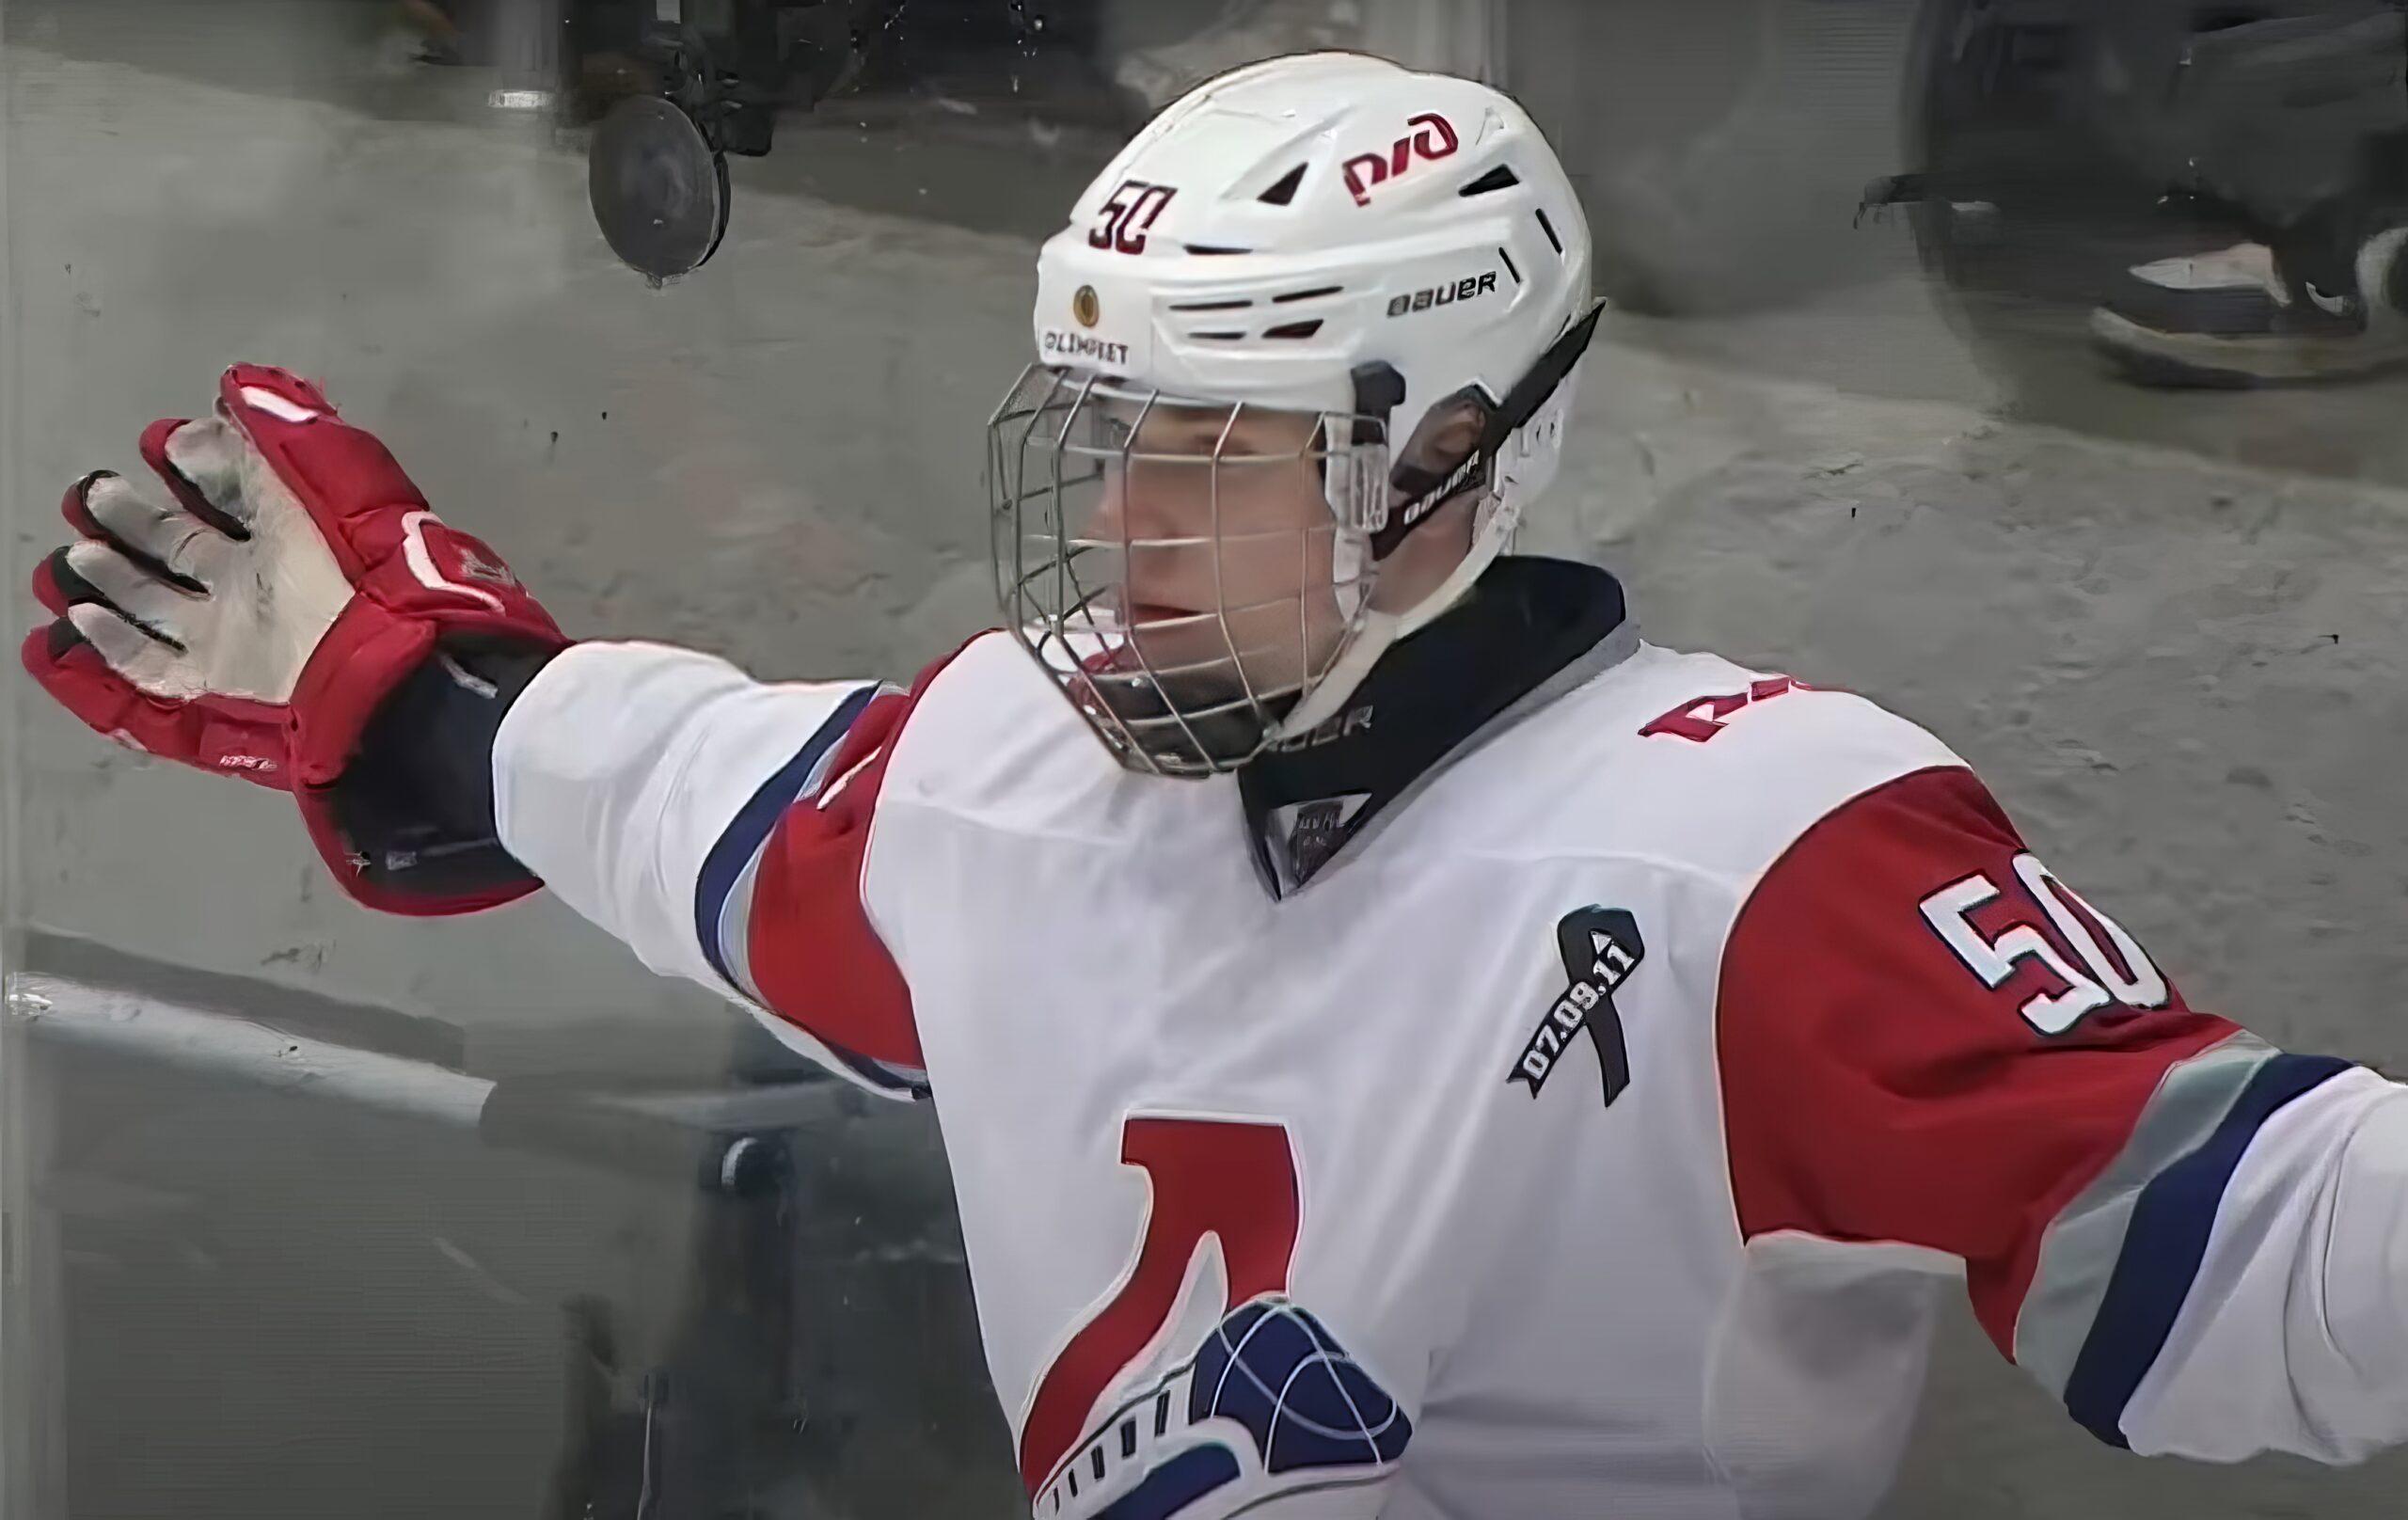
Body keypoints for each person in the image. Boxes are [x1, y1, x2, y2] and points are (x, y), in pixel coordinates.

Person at [22, 50, 2408, 1520]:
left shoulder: (1756, 848)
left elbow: (2268, 1258)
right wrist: (411, 697)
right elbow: (696, 798)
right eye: (1106, 442)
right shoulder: (1008, 774)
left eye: (1214, 453)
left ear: (1450, 462)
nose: (1126, 531)